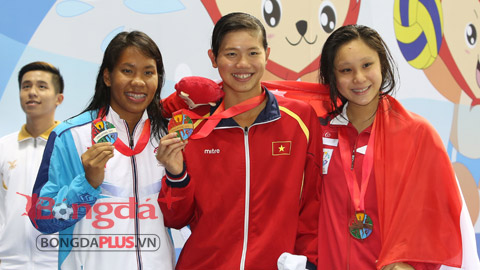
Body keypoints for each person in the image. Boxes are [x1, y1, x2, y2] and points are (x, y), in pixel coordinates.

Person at [156, 12, 321, 270]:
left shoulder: (299, 120)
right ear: (213, 58)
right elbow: (175, 218)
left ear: (267, 53)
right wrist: (176, 174)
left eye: (253, 53)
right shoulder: (193, 127)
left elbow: (313, 203)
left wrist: (310, 262)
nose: (243, 64)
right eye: (231, 54)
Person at [318, 24, 480, 270]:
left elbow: (439, 214)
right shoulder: (319, 133)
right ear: (332, 76)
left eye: (367, 65)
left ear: (382, 64)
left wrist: (413, 264)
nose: (359, 78)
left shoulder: (417, 133)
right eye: (346, 70)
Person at [29, 31, 176, 269]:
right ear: (107, 76)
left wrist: (179, 176)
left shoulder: (170, 136)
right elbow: (42, 217)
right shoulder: (71, 135)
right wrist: (87, 184)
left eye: (148, 72)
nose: (138, 82)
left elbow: (194, 216)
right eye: (127, 71)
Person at [0, 61, 64, 269]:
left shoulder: (69, 146)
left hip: (57, 262)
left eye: (41, 86)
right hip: (9, 263)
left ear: (59, 99)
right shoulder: (3, 146)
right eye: (26, 86)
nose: (32, 92)